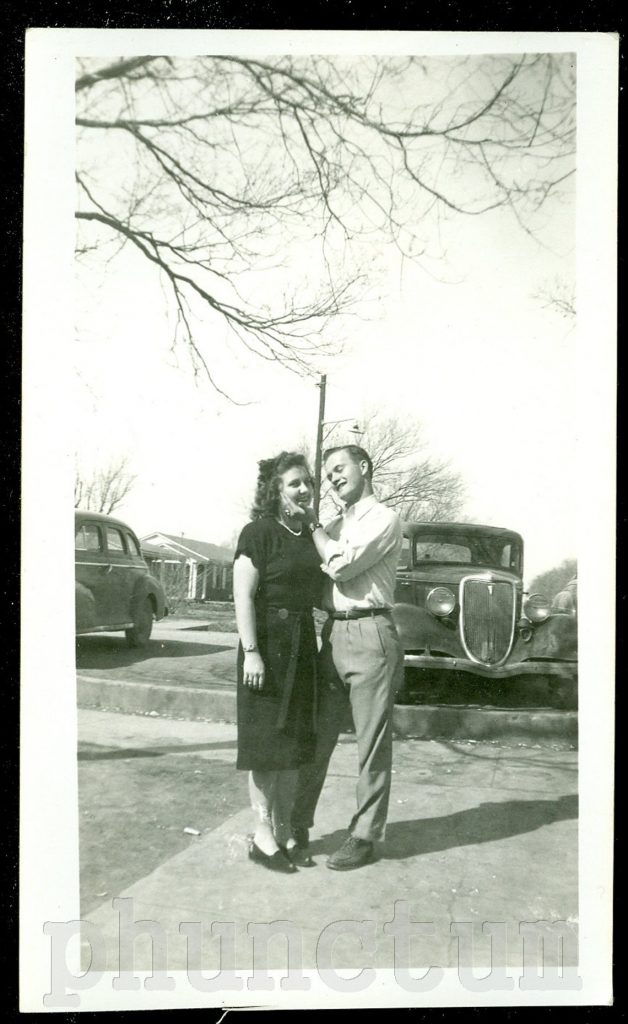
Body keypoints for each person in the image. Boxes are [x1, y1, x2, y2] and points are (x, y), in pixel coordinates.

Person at [284, 444, 403, 871]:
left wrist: (313, 526)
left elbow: (341, 566)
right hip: (332, 632)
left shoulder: (385, 519)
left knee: (371, 744)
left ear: (364, 467)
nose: (333, 478)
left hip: (372, 633)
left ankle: (365, 835)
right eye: (328, 473)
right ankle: (296, 825)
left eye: (340, 469)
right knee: (316, 734)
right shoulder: (332, 523)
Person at [233, 452, 322, 874]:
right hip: (266, 649)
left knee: (293, 749)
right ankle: (262, 834)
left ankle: (285, 829)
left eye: (307, 482)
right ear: (275, 492)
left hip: (302, 650)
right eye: (294, 484)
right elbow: (242, 595)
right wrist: (251, 652)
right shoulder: (258, 533)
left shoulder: (309, 536)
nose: (304, 489)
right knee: (266, 749)